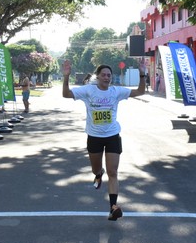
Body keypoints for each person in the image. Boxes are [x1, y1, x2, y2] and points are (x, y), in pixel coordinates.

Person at [62, 60, 146, 221]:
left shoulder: (116, 91)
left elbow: (140, 91)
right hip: (94, 137)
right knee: (96, 169)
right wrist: (66, 77)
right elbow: (66, 94)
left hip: (113, 136)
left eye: (109, 75)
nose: (107, 77)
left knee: (113, 172)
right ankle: (98, 173)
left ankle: (113, 207)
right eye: (104, 75)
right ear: (98, 77)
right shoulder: (88, 90)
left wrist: (142, 73)